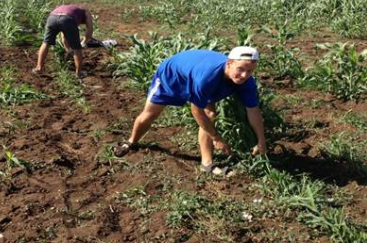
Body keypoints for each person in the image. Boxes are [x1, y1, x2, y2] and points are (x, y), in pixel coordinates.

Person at [114, 47, 267, 174]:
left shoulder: (246, 82)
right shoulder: (207, 78)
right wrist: (216, 137)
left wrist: (261, 140)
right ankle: (131, 141)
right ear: (229, 63)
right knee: (150, 114)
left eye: (250, 71)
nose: (244, 75)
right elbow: (196, 111)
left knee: (210, 114)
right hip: (172, 76)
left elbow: (253, 110)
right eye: (240, 69)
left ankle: (206, 164)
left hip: (201, 76)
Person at [33, 4, 93, 78]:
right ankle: (78, 74)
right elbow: (89, 31)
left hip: (52, 18)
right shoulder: (86, 12)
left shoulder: (69, 9)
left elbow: (64, 35)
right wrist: (83, 43)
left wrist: (68, 50)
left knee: (46, 43)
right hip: (67, 19)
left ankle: (39, 68)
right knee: (77, 48)